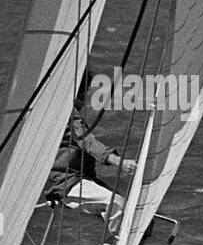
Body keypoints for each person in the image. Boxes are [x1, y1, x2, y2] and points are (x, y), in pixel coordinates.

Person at [45, 71, 138, 203]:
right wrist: (119, 162)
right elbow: (85, 140)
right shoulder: (68, 113)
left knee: (127, 207)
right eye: (85, 91)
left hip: (82, 180)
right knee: (117, 205)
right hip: (68, 183)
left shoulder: (53, 111)